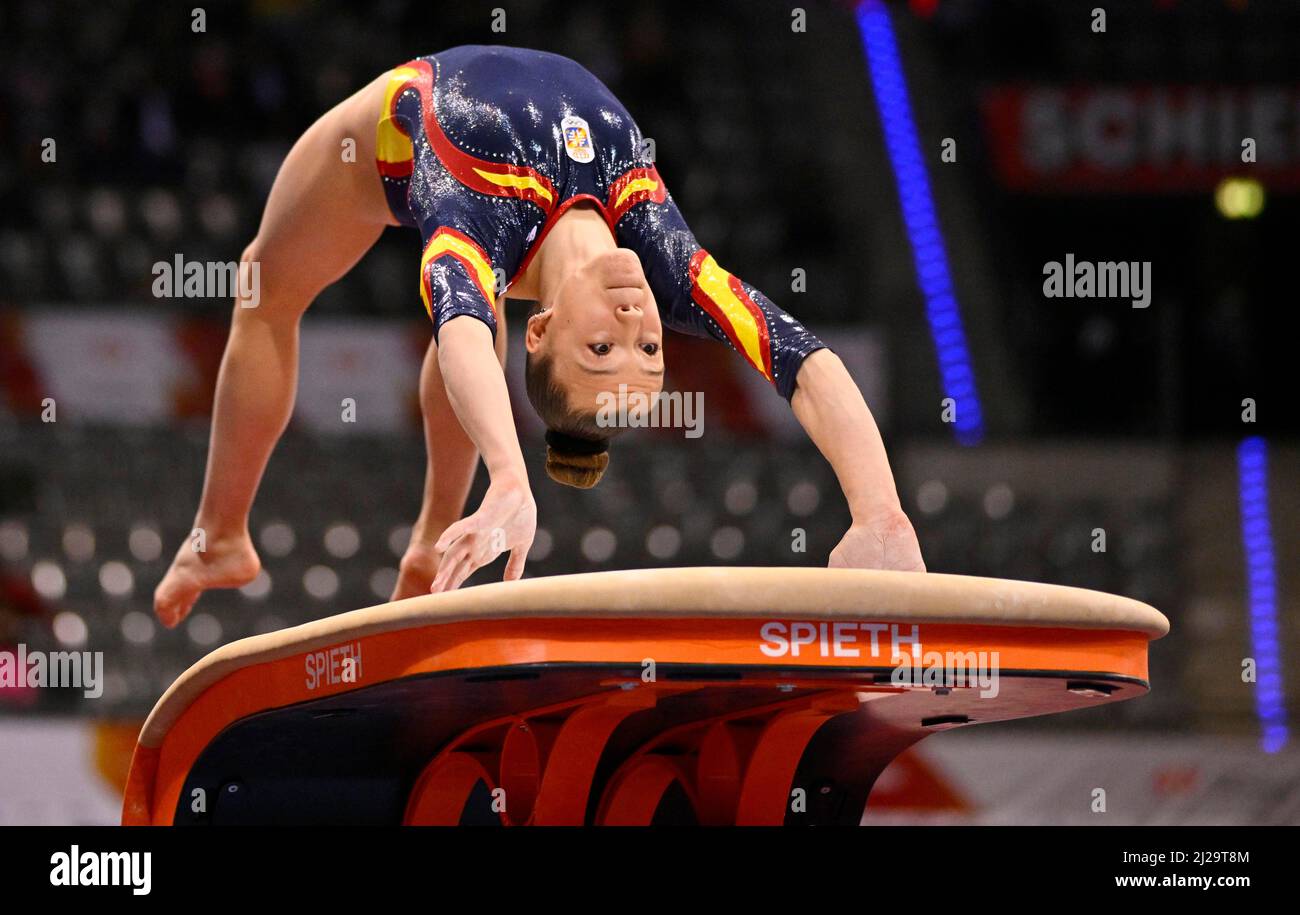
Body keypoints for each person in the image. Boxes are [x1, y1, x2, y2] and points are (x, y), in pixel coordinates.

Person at [153, 45, 925, 629]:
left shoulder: (474, 214)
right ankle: (417, 541)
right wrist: (878, 512)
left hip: (380, 161)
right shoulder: (671, 265)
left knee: (266, 290)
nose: (633, 327)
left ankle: (221, 534)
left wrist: (511, 480)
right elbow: (801, 357)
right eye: (649, 352)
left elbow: (457, 332)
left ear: (544, 329)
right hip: (498, 241)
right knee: (473, 312)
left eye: (600, 351)